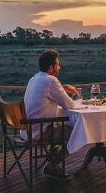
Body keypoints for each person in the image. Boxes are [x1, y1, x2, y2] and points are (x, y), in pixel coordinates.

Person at [23, 49, 79, 177]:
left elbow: (46, 94)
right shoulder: (51, 81)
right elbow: (69, 104)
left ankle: (52, 160)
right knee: (78, 131)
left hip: (26, 130)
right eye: (57, 64)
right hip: (39, 132)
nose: (59, 67)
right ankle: (53, 164)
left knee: (59, 126)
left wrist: (62, 88)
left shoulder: (34, 79)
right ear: (51, 67)